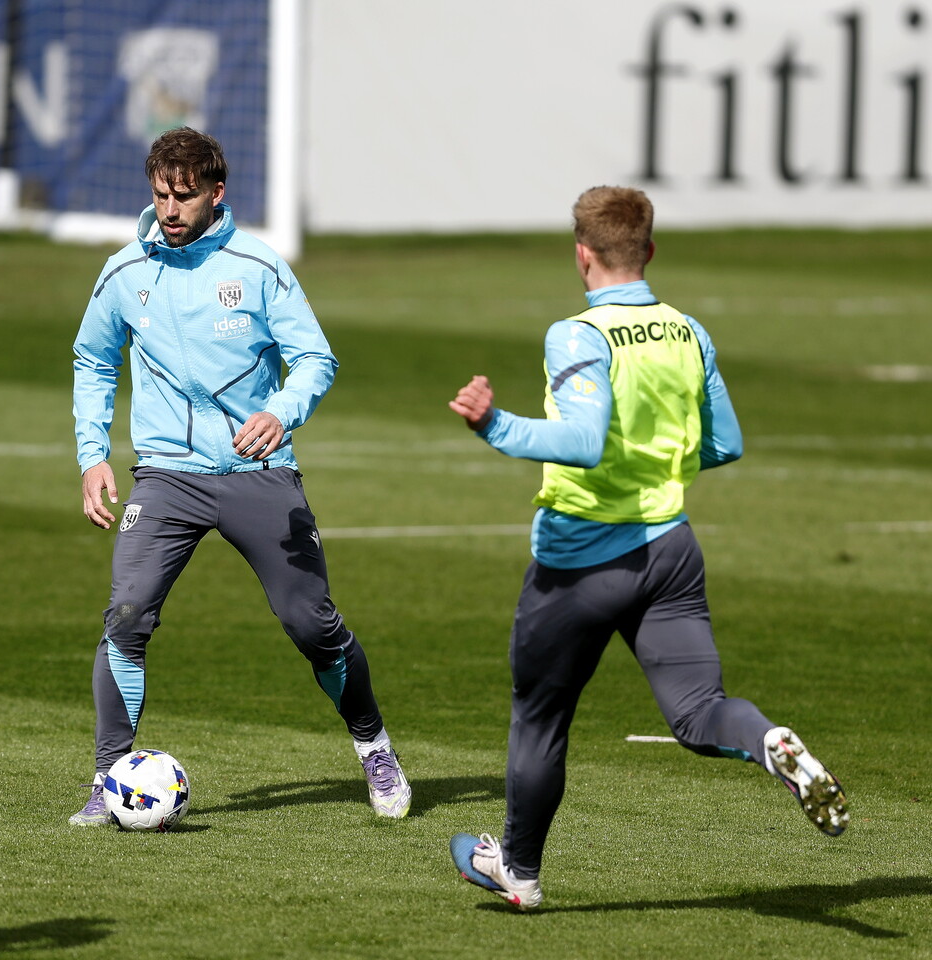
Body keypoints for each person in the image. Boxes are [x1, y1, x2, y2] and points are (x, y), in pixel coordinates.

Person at [446, 186, 847, 910]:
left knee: (540, 716)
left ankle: (522, 873)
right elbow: (726, 443)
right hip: (670, 552)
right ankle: (769, 742)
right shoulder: (688, 331)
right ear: (650, 251)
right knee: (699, 712)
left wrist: (493, 423)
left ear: (582, 254)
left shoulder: (577, 335)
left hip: (579, 567)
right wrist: (659, 466)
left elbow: (582, 441)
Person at [68, 127, 410, 824]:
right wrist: (92, 454)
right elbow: (93, 360)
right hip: (167, 475)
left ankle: (373, 745)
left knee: (309, 623)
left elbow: (315, 359)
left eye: (184, 196)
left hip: (260, 474)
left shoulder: (258, 266)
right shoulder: (124, 271)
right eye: (161, 194)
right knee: (127, 614)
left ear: (216, 193)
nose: (169, 209)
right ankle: (109, 780)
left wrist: (282, 412)